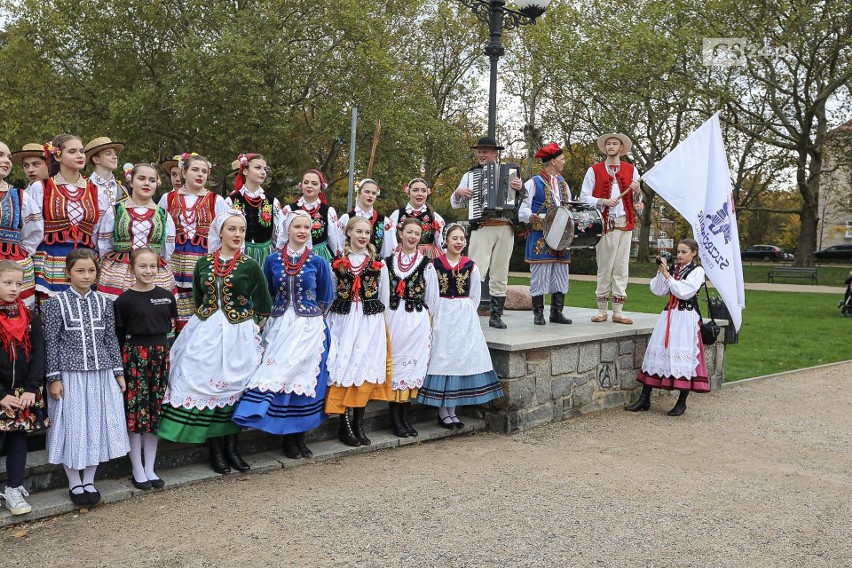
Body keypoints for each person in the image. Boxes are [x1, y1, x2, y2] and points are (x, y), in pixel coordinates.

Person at [157, 210, 271, 474]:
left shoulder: (250, 266)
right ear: (220, 232)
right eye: (232, 229)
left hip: (238, 334)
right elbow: (199, 297)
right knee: (208, 385)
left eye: (241, 230)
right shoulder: (204, 263)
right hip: (206, 332)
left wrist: (250, 327)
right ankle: (216, 450)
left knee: (234, 387)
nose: (237, 235)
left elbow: (264, 304)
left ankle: (233, 448)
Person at [232, 211, 334, 459]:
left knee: (302, 379)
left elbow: (326, 295)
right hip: (279, 324)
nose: (302, 231)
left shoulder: (318, 261)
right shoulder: (273, 260)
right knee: (279, 376)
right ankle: (284, 435)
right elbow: (265, 291)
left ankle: (299, 436)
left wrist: (312, 318)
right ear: (287, 229)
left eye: (306, 227)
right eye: (297, 226)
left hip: (308, 326)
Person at [43, 249, 129, 506]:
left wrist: (118, 372)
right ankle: (74, 481)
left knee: (95, 424)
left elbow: (110, 339)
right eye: (80, 270)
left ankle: (89, 479)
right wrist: (54, 377)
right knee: (72, 425)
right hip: (70, 376)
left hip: (101, 374)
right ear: (68, 272)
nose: (86, 275)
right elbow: (51, 343)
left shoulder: (105, 303)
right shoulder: (54, 303)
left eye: (91, 270)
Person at [417, 223, 504, 427]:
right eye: (454, 238)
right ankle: (442, 410)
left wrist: (464, 312)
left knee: (459, 357)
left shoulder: (470, 266)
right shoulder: (434, 265)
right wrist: (436, 315)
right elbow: (430, 295)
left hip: (464, 316)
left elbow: (474, 296)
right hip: (443, 313)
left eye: (461, 239)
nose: (458, 242)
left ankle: (452, 410)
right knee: (443, 355)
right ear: (445, 241)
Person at [114, 248, 177, 490]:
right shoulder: (124, 300)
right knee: (136, 413)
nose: (148, 271)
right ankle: (136, 468)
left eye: (152, 266)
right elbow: (119, 336)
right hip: (135, 358)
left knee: (154, 413)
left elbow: (169, 329)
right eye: (142, 266)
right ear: (132, 269)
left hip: (160, 357)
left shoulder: (166, 296)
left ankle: (150, 467)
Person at [325, 216, 391, 447]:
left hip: (369, 320)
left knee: (363, 368)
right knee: (344, 367)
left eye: (367, 232)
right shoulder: (338, 262)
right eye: (359, 232)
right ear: (349, 233)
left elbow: (384, 296)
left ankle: (359, 423)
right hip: (343, 319)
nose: (363, 236)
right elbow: (331, 292)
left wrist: (380, 323)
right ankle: (345, 425)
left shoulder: (377, 264)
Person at [627, 238, 709, 416]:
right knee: (657, 353)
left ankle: (681, 402)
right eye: (678, 252)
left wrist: (667, 275)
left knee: (683, 357)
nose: (679, 255)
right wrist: (661, 271)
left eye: (684, 252)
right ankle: (644, 398)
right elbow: (658, 291)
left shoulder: (698, 271)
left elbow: (684, 292)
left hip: (686, 318)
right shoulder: (673, 269)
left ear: (694, 253)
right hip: (669, 316)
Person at [450, 136, 522, 329]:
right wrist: (459, 193)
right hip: (483, 226)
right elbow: (455, 202)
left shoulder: (511, 173)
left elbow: (522, 202)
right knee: (474, 271)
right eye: (479, 151)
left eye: (485, 151)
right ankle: (467, 313)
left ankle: (496, 315)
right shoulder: (471, 175)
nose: (481, 155)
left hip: (506, 226)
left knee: (500, 272)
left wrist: (520, 189)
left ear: (494, 153)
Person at [27, 134, 107, 302]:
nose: (80, 156)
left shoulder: (95, 191)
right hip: (51, 258)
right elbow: (32, 228)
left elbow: (99, 231)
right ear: (58, 156)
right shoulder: (42, 187)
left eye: (82, 151)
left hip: (85, 260)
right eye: (72, 151)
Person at [158, 153, 227, 331]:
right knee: (172, 302)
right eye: (195, 170)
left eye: (204, 171)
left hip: (202, 263)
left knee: (200, 302)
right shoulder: (168, 198)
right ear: (183, 172)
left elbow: (224, 232)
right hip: (173, 262)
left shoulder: (216, 200)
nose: (200, 175)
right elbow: (159, 228)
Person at [579, 132, 642, 324]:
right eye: (608, 144)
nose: (611, 146)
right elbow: (584, 197)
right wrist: (603, 201)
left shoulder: (632, 170)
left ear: (621, 148)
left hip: (625, 224)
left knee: (621, 268)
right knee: (605, 267)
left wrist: (638, 192)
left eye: (615, 144)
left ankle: (618, 311)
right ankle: (601, 309)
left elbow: (638, 201)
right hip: (605, 224)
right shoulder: (594, 170)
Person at [0, 261, 46, 515]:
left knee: (18, 441)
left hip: (22, 394)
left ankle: (14, 489)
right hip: (1, 393)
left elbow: (38, 353)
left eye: (19, 284)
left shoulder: (28, 317)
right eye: (7, 282)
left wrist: (31, 388)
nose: (14, 288)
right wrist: (1, 395)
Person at [385, 217, 435, 437]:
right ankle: (395, 418)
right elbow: (382, 294)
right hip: (394, 318)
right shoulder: (387, 262)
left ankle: (404, 417)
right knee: (395, 365)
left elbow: (432, 297)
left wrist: (428, 321)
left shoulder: (426, 264)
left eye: (416, 233)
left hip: (415, 320)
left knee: (410, 366)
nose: (412, 237)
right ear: (400, 233)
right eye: (409, 232)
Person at [98, 164, 177, 301]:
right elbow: (104, 245)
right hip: (118, 271)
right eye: (141, 178)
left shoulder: (163, 214)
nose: (147, 183)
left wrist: (153, 263)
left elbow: (167, 249)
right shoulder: (115, 211)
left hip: (152, 272)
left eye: (152, 180)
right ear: (131, 181)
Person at [518, 142, 573, 326]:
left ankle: (557, 312)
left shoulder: (564, 184)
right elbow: (522, 208)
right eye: (562, 159)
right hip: (540, 234)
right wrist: (530, 216)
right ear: (553, 161)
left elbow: (569, 208)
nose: (564, 162)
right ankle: (538, 313)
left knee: (561, 272)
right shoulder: (533, 183)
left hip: (562, 236)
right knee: (540, 274)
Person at [0, 141, 43, 308]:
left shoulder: (19, 196)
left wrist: (22, 253)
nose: (7, 161)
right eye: (1, 155)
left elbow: (35, 230)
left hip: (13, 263)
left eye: (9, 158)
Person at [225, 153, 283, 267]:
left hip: (266, 255)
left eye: (264, 169)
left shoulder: (272, 202)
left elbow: (279, 234)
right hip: (238, 254)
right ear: (245, 171)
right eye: (258, 168)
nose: (263, 172)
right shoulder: (231, 201)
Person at [281, 169, 341, 262]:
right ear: (301, 185)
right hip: (295, 254)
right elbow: (283, 236)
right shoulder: (289, 210)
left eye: (314, 183)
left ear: (321, 187)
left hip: (321, 256)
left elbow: (333, 240)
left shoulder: (328, 211)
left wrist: (336, 259)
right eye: (306, 182)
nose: (309, 186)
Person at [388, 177, 445, 259]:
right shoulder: (397, 214)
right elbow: (390, 238)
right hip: (403, 254)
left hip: (427, 255)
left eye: (423, 191)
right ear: (408, 193)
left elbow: (440, 241)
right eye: (415, 190)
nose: (420, 194)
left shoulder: (434, 216)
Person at [336, 178, 394, 258]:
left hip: (374, 266)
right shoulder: (346, 218)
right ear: (359, 194)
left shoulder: (384, 221)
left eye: (374, 193)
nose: (370, 196)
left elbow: (388, 251)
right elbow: (338, 244)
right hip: (349, 263)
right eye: (367, 192)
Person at [84, 136, 129, 207]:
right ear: (96, 159)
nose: (115, 157)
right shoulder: (84, 188)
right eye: (108, 153)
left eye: (115, 153)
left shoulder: (123, 190)